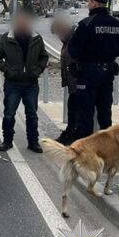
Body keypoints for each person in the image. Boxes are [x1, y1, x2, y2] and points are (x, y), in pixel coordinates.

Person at [67, 0, 119, 141]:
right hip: (107, 71)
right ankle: (107, 146)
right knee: (105, 112)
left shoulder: (86, 24)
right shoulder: (118, 24)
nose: (88, 4)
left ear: (95, 3)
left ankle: (85, 148)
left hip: (88, 72)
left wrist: (89, 55)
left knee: (85, 113)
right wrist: (109, 53)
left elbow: (74, 50)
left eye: (89, 2)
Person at [0, 10, 49, 153]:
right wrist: (7, 70)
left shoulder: (37, 38)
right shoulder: (6, 39)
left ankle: (33, 142)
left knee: (32, 115)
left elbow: (44, 56)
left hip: (31, 83)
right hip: (13, 84)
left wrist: (37, 70)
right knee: (9, 114)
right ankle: (7, 141)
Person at [51, 15, 79, 145]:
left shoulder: (74, 39)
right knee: (72, 107)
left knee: (76, 109)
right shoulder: (68, 41)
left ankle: (73, 135)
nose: (58, 37)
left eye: (58, 33)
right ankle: (70, 133)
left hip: (78, 82)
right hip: (73, 82)